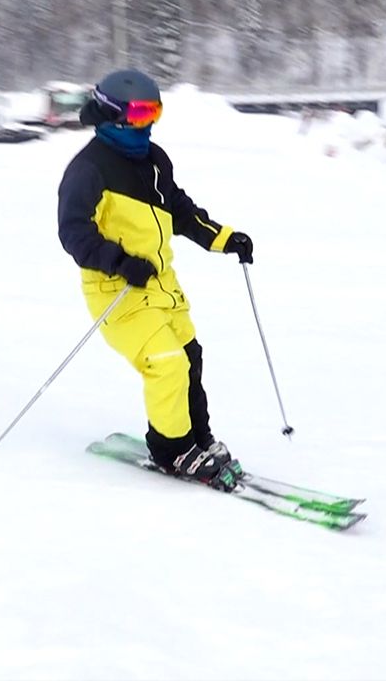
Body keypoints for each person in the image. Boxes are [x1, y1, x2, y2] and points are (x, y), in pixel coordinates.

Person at [57, 69, 254, 491]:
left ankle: (198, 438)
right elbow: (73, 232)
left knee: (190, 357)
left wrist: (223, 239)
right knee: (166, 364)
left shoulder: (154, 160)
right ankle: (172, 449)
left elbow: (180, 211)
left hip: (162, 286)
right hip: (118, 290)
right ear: (113, 115)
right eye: (142, 113)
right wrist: (121, 261)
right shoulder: (87, 169)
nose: (149, 123)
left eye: (155, 112)